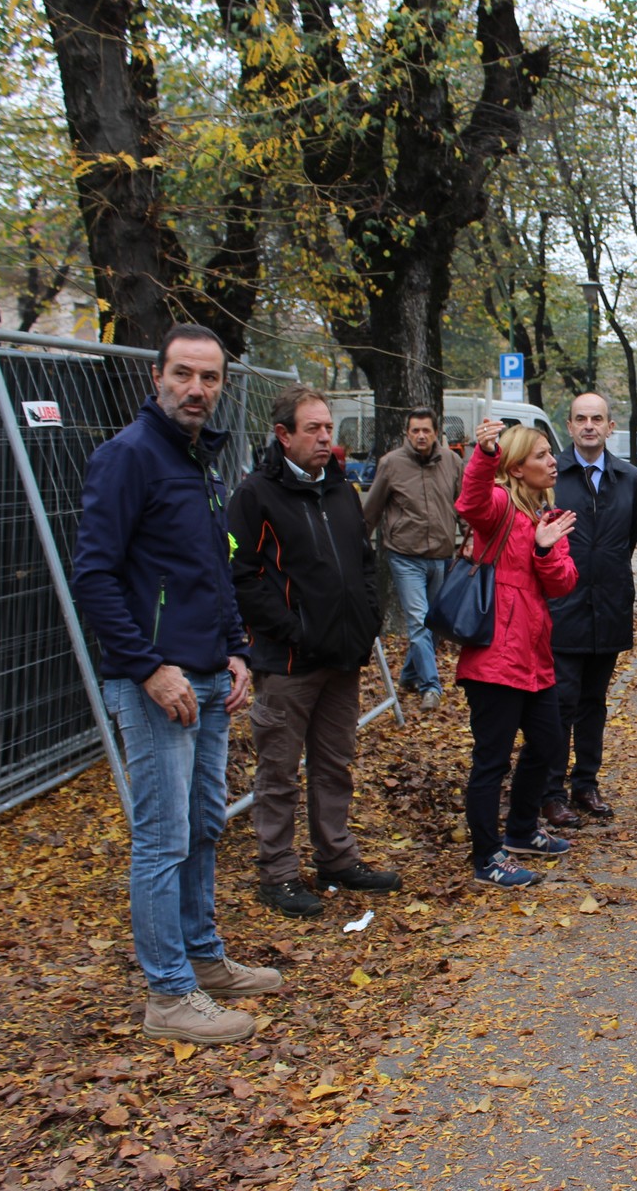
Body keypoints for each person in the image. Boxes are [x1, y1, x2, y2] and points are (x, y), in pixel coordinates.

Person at [71, 323, 279, 1046]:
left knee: (204, 826)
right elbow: (93, 576)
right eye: (184, 374)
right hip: (156, 680)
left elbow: (210, 566)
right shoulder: (127, 458)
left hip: (206, 673)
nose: (197, 389)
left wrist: (233, 650)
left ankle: (203, 958)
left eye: (210, 378)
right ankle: (168, 993)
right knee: (162, 838)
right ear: (156, 378)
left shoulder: (196, 460)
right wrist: (148, 667)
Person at [229, 386, 402, 920]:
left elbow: (364, 562)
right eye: (313, 429)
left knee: (335, 764)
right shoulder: (255, 495)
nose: (326, 437)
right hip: (288, 664)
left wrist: (369, 619)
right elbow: (243, 577)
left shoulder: (342, 490)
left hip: (344, 658)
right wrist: (295, 630)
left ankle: (336, 858)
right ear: (284, 435)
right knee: (278, 772)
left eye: (329, 428)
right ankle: (277, 873)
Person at [455, 419, 580, 887]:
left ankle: (522, 831)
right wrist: (483, 455)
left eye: (552, 454)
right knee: (491, 759)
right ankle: (486, 857)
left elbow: (563, 582)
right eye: (542, 455)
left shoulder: (546, 515)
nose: (553, 462)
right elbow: (471, 502)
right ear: (517, 465)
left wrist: (547, 550)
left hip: (533, 653)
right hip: (494, 655)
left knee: (548, 744)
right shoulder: (500, 504)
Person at [543, 393, 637, 829]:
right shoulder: (551, 475)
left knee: (593, 703)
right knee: (559, 703)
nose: (589, 425)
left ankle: (585, 784)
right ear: (568, 426)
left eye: (596, 419)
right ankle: (550, 792)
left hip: (609, 604)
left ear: (610, 426)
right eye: (581, 419)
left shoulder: (629, 477)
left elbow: (630, 537)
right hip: (561, 607)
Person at [363, 407, 464, 710]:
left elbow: (463, 505)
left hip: (442, 555)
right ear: (407, 433)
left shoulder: (452, 462)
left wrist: (470, 538)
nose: (421, 436)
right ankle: (430, 686)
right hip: (405, 555)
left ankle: (409, 674)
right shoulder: (391, 464)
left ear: (436, 433)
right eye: (415, 430)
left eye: (426, 430)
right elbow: (372, 509)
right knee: (419, 621)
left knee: (435, 624)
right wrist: (356, 545)